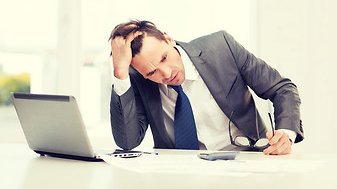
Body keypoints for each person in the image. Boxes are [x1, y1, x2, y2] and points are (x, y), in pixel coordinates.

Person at [109, 20, 304, 155]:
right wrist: (120, 73)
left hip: (246, 160)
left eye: (164, 58)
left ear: (168, 39)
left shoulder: (221, 47)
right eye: (152, 73)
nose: (166, 74)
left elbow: (282, 89)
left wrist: (285, 135)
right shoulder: (137, 79)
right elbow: (127, 142)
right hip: (179, 174)